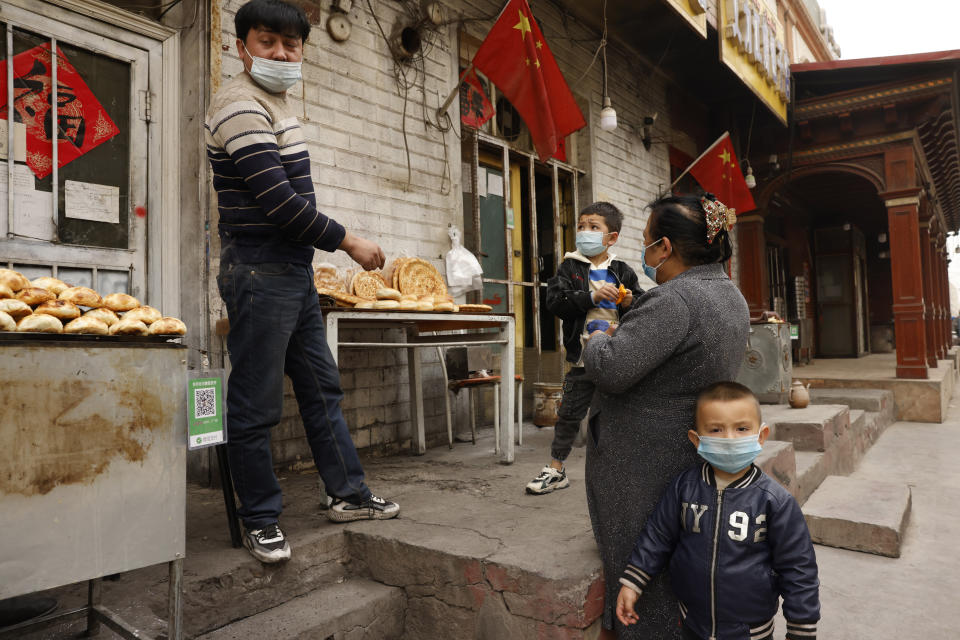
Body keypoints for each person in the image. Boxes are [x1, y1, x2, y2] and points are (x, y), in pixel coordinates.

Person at [206, 0, 398, 564]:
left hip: (290, 272)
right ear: (242, 46)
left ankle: (348, 494)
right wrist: (350, 240)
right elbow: (280, 204)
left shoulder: (276, 102)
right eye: (268, 43)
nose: (281, 54)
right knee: (255, 401)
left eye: (291, 46)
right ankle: (259, 518)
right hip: (259, 269)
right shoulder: (240, 104)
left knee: (321, 390)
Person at [582, 194, 750, 639]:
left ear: (667, 247)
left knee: (643, 570)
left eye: (647, 241)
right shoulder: (729, 294)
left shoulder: (675, 300)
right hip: (685, 451)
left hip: (643, 460)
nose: (646, 250)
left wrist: (598, 333)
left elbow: (610, 369)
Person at [616, 381, 820, 640]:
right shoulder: (684, 487)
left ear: (761, 435)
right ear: (696, 439)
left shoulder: (775, 501)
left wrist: (801, 629)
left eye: (742, 428)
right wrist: (633, 583)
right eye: (716, 430)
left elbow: (799, 568)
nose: (729, 439)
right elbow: (658, 536)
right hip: (692, 624)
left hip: (750, 632)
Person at [526, 202, 642, 495]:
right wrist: (590, 297)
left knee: (617, 416)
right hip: (581, 360)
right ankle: (556, 468)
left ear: (611, 238)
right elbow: (555, 301)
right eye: (581, 226)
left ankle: (621, 470)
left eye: (594, 227)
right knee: (569, 413)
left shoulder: (622, 271)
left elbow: (643, 305)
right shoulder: (569, 266)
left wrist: (630, 302)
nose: (584, 232)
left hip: (616, 358)